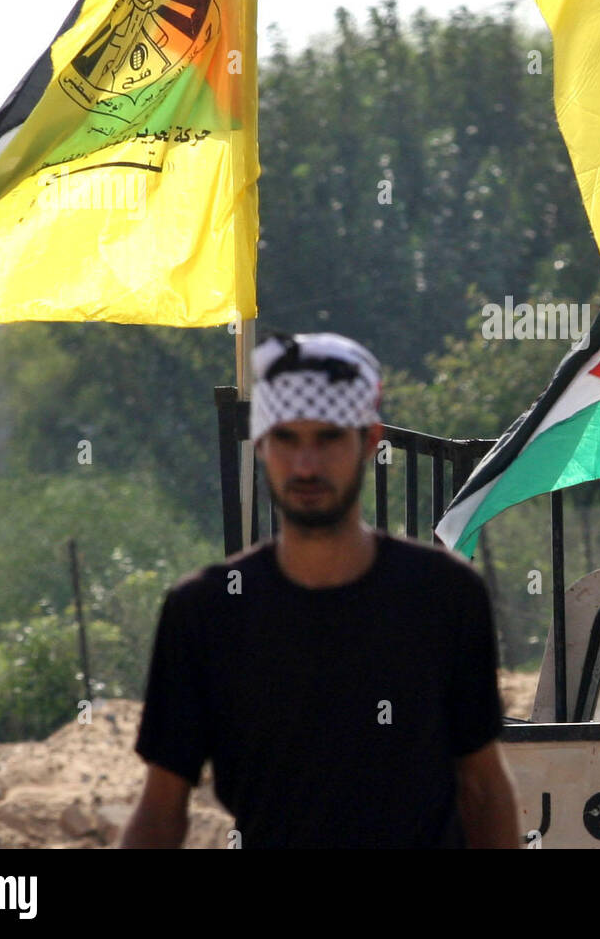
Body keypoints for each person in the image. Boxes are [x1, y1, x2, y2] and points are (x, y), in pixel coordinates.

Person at [122, 332, 521, 848]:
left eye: (328, 437)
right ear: (261, 445)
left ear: (370, 440)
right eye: (286, 438)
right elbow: (160, 810)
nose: (306, 465)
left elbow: (484, 788)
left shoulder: (442, 596)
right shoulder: (205, 612)